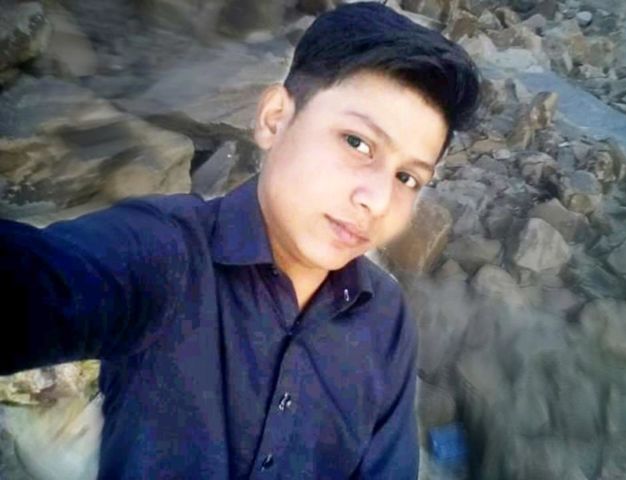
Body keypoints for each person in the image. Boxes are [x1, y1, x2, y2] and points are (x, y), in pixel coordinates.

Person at [0, 2, 479, 478]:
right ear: (274, 119)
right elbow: (39, 282)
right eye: (357, 143)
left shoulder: (386, 320)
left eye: (407, 177)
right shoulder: (166, 255)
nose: (377, 199)